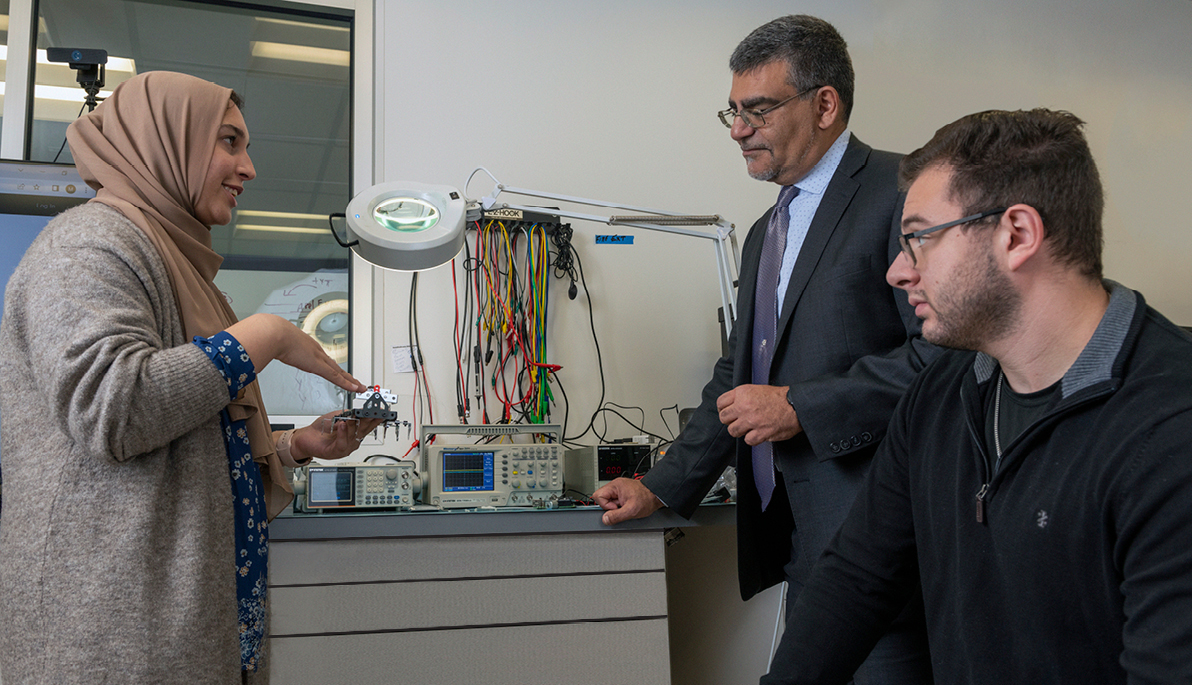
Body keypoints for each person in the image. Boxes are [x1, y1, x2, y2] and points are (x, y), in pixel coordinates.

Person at [767, 108, 1192, 684]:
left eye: (918, 238)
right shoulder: (939, 397)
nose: (897, 271)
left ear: (1016, 234)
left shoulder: (1169, 429)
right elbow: (856, 579)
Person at [0, 71, 380, 683]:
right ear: (165, 141)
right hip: (108, 641)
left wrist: (294, 446)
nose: (248, 167)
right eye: (229, 142)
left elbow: (194, 440)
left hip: (187, 632)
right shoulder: (87, 245)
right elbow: (112, 408)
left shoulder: (183, 272)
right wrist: (269, 334)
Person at [592, 15, 936, 683]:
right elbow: (736, 376)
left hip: (884, 549)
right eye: (733, 111)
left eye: (758, 110)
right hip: (805, 544)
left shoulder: (901, 194)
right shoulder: (762, 231)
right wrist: (659, 488)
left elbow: (944, 358)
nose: (737, 130)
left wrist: (803, 406)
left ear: (825, 104)